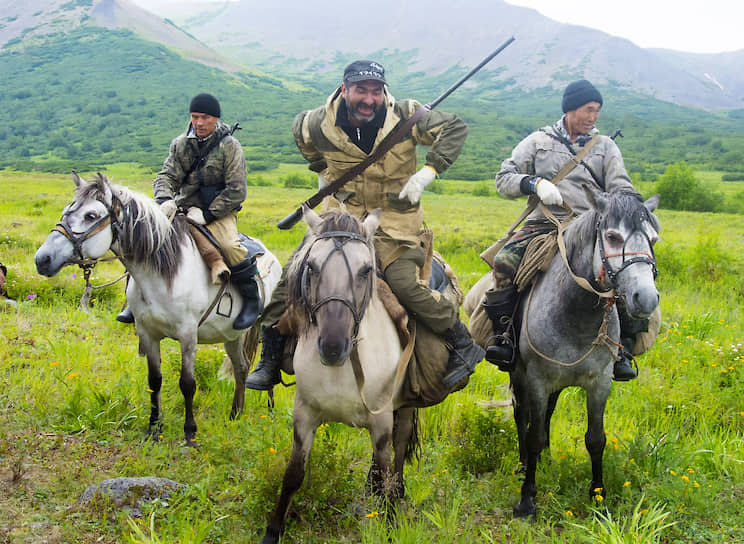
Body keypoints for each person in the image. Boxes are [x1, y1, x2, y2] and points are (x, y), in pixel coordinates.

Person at [245, 60, 484, 391]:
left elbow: (454, 127)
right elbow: (301, 135)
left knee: (403, 284)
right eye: (361, 90)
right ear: (345, 90)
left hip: (393, 222)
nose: (369, 99)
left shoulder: (407, 115)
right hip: (338, 216)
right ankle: (270, 358)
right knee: (292, 277)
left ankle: (461, 342)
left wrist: (427, 172)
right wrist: (322, 172)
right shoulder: (318, 122)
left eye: (375, 91)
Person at [483, 79, 644, 381]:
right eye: (588, 110)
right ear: (570, 108)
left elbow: (621, 185)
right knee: (505, 261)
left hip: (591, 227)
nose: (593, 117)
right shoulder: (538, 141)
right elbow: (503, 177)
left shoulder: (605, 147)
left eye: (597, 111)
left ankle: (621, 348)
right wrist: (533, 184)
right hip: (545, 224)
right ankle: (504, 336)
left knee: (623, 271)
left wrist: (619, 203)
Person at [117, 93, 262, 330]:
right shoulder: (181, 144)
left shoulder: (230, 147)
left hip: (219, 212)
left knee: (229, 247)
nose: (199, 122)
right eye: (195, 117)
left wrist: (208, 214)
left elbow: (236, 190)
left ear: (215, 119)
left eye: (204, 117)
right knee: (145, 239)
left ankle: (250, 301)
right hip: (182, 208)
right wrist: (165, 200)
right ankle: (134, 300)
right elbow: (166, 176)